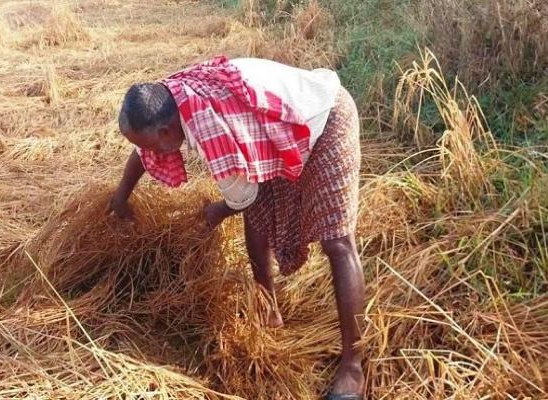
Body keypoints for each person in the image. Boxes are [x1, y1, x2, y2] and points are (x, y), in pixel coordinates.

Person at [106, 56, 365, 399]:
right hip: (274, 126)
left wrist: (215, 212)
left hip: (323, 119)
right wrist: (120, 199)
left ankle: (353, 366)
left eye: (149, 143)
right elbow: (145, 153)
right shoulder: (168, 98)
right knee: (257, 217)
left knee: (337, 242)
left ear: (166, 133)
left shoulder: (209, 126)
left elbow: (242, 196)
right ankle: (267, 308)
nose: (146, 151)